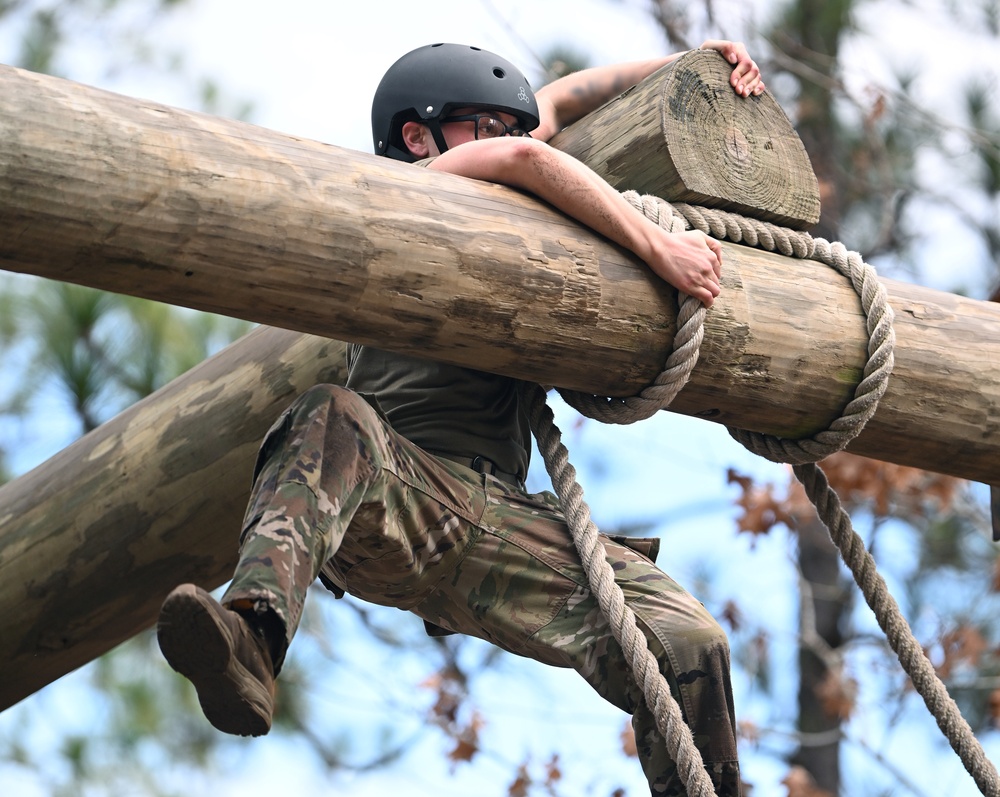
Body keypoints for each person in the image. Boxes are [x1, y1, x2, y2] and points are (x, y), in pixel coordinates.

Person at [157, 40, 764, 796]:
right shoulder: (410, 188)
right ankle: (252, 636)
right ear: (420, 136)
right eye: (487, 125)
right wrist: (660, 249)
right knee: (330, 415)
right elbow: (526, 159)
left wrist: (693, 61)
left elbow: (567, 101)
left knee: (691, 640)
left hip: (502, 521)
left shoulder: (487, 158)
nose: (514, 137)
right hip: (400, 494)